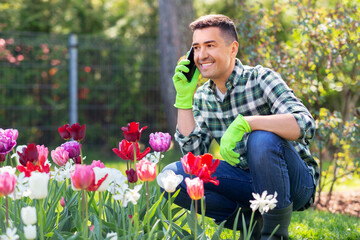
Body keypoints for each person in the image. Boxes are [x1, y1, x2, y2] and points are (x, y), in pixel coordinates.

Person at [161, 14, 319, 240]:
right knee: (174, 176)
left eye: (210, 45)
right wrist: (184, 100)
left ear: (233, 49)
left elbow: (305, 123)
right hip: (246, 183)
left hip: (293, 183)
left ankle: (274, 234)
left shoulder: (260, 78)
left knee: (261, 138)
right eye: (196, 47)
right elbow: (194, 159)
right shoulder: (204, 97)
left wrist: (248, 123)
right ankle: (250, 225)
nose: (201, 55)